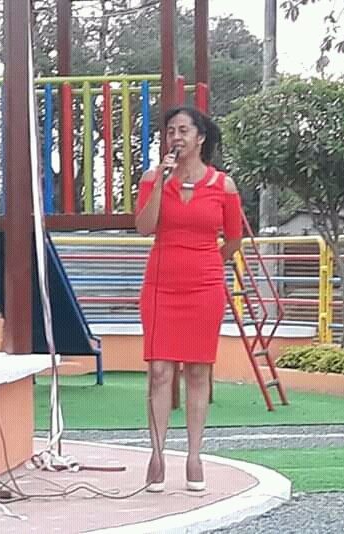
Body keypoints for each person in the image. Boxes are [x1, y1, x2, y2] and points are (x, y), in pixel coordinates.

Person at [134, 105, 243, 492]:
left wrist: (207, 263)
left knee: (198, 371)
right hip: (160, 285)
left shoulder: (223, 186)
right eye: (170, 131)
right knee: (160, 371)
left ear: (200, 137)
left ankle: (194, 456)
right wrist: (160, 181)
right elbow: (144, 227)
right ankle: (157, 454)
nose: (175, 137)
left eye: (183, 130)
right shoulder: (153, 178)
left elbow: (234, 240)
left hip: (204, 287)